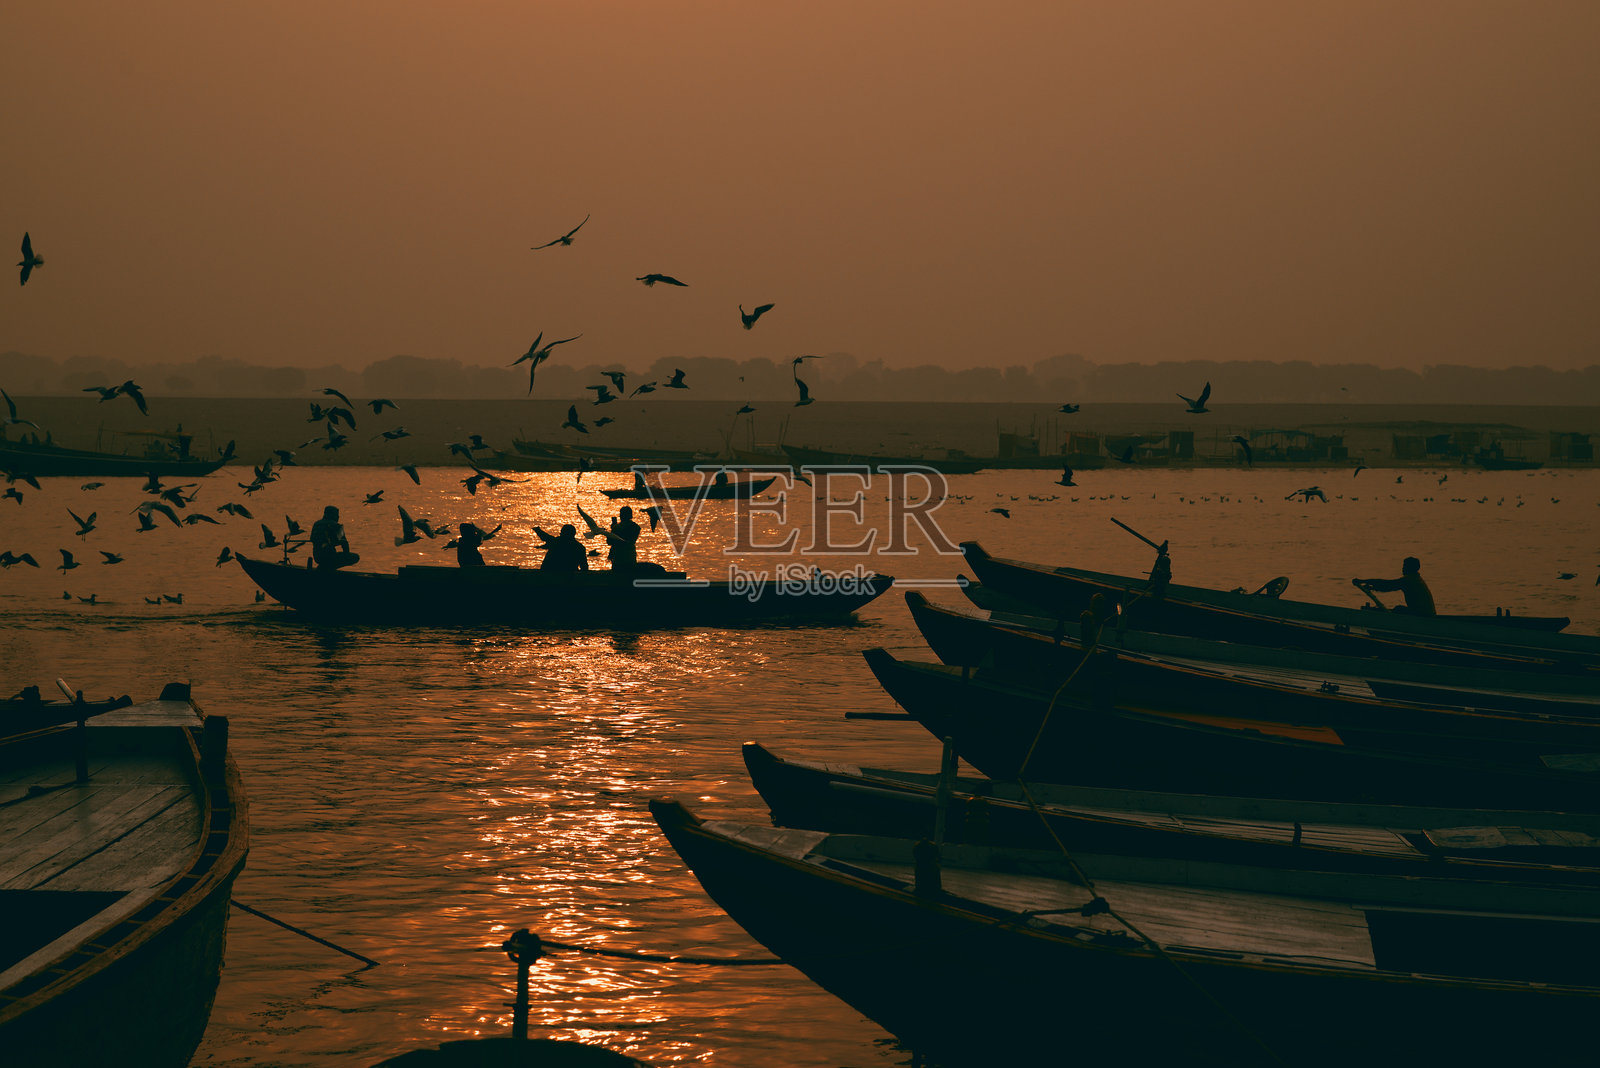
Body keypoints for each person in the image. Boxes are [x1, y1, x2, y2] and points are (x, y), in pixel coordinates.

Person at [1354, 556, 1435, 616]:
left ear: (1411, 568)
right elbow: (1387, 586)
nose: (1403, 569)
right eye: (1403, 566)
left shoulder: (1409, 580)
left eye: (1405, 566)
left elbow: (1387, 585)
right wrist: (1372, 587)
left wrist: (1363, 581)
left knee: (1398, 609)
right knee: (1398, 609)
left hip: (1423, 616)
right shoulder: (1417, 578)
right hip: (1426, 614)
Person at [309, 505, 359, 570]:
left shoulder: (316, 524)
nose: (338, 517)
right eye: (337, 515)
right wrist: (346, 555)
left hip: (317, 557)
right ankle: (329, 568)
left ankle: (323, 567)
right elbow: (345, 543)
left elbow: (312, 539)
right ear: (332, 515)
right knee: (356, 557)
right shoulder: (336, 525)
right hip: (330, 557)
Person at [606, 506, 641, 570]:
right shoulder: (636, 527)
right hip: (630, 556)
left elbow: (609, 542)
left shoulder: (616, 528)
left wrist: (613, 530)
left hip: (618, 558)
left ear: (621, 515)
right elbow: (632, 541)